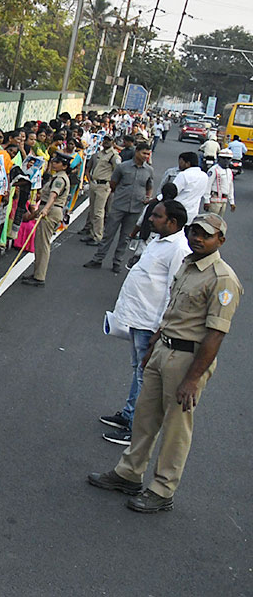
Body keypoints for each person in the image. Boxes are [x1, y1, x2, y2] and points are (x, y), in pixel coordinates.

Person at [88, 213, 242, 513]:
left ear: (220, 240)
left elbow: (215, 334)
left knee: (175, 428)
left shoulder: (222, 279)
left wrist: (192, 379)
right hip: (164, 349)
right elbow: (173, 311)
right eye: (194, 231)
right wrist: (155, 343)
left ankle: (162, 489)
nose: (197, 238)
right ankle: (129, 473)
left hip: (188, 360)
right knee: (145, 417)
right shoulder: (188, 264)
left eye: (205, 234)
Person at [98, 200, 191, 445]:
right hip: (138, 317)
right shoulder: (159, 241)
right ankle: (129, 414)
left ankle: (136, 429)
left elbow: (175, 290)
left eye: (157, 216)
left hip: (151, 322)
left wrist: (160, 329)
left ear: (172, 222)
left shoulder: (178, 248)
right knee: (138, 370)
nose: (151, 219)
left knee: (145, 376)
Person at [86, 143, 154, 273]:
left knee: (125, 237)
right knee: (109, 233)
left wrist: (147, 197)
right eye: (144, 153)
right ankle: (98, 259)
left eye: (148, 154)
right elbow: (113, 183)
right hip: (119, 205)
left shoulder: (149, 170)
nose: (146, 156)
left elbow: (149, 186)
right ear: (137, 152)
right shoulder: (123, 167)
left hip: (135, 208)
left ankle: (117, 262)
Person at [21, 151, 71, 287]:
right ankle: (37, 272)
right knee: (39, 243)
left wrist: (45, 209)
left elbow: (53, 196)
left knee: (42, 244)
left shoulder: (60, 179)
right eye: (54, 160)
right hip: (49, 209)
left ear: (64, 166)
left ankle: (39, 277)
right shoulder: (56, 176)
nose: (54, 163)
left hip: (51, 211)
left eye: (57, 162)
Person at [81, 135, 120, 245]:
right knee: (93, 211)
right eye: (105, 140)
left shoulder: (114, 156)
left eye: (109, 140)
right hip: (95, 183)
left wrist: (112, 186)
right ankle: (92, 233)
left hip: (104, 185)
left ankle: (98, 236)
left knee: (99, 212)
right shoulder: (100, 153)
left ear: (113, 142)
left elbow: (118, 172)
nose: (106, 142)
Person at [166, 151, 208, 223]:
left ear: (188, 163)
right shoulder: (204, 176)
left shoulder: (183, 175)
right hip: (192, 213)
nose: (179, 165)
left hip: (177, 211)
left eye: (181, 162)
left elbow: (172, 192)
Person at [204, 149, 236, 216]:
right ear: (219, 159)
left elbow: (230, 187)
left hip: (224, 200)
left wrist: (232, 202)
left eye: (228, 159)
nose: (226, 161)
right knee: (212, 221)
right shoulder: (214, 169)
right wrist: (206, 201)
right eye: (223, 158)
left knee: (219, 222)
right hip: (214, 200)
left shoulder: (229, 171)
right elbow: (207, 185)